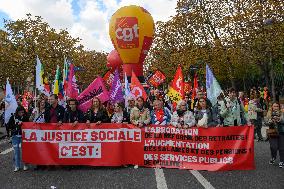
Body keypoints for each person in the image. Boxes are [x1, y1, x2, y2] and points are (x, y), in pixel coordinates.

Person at [7, 106, 29, 172]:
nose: (21, 113)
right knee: (16, 152)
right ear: (17, 112)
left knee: (24, 151)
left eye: (22, 112)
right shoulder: (13, 117)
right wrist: (15, 126)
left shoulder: (25, 117)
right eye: (20, 112)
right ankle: (17, 166)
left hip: (23, 136)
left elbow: (28, 125)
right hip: (15, 136)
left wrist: (23, 124)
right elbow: (8, 126)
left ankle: (25, 165)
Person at [265, 102, 284, 168]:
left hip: (282, 132)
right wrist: (270, 121)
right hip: (272, 132)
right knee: (274, 147)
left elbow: (283, 119)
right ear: (272, 107)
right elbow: (266, 122)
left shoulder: (282, 112)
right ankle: (273, 157)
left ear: (279, 107)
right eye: (274, 106)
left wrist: (279, 119)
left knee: (282, 148)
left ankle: (282, 161)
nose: (275, 107)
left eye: (277, 106)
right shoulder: (269, 113)